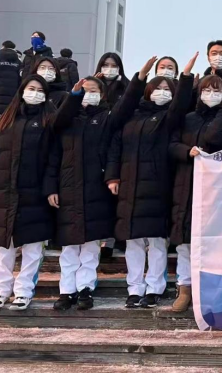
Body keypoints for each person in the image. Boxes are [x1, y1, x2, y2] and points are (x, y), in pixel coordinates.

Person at [45, 57, 154, 311]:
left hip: (95, 189)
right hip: (67, 189)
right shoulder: (67, 121)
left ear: (102, 95)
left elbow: (126, 104)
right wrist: (51, 188)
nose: (89, 94)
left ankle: (85, 289)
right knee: (69, 247)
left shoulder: (107, 118)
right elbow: (53, 156)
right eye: (85, 90)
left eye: (94, 91)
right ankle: (66, 291)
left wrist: (139, 78)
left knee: (91, 246)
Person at [105, 53, 198, 309]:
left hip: (158, 186)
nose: (162, 92)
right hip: (129, 185)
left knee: (157, 242)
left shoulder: (169, 119)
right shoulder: (131, 116)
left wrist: (186, 76)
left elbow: (180, 104)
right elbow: (115, 147)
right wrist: (112, 176)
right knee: (133, 242)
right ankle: (134, 289)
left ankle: (155, 288)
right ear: (147, 91)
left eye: (167, 89)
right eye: (158, 88)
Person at [168, 77, 222, 311]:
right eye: (207, 89)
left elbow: (214, 139)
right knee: (185, 241)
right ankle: (185, 288)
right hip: (186, 184)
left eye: (216, 90)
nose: (211, 94)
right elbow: (171, 145)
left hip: (218, 189)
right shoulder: (188, 119)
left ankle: (211, 290)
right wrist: (187, 151)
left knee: (215, 241)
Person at [0, 75, 56, 310]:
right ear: (22, 91)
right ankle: (0, 290)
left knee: (33, 246)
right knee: (4, 246)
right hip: (5, 191)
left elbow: (53, 158)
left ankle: (24, 290)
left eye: (40, 90)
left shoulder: (48, 120)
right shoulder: (7, 119)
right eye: (31, 88)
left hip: (35, 193)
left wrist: (50, 188)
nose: (35, 93)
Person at [0, 41, 22, 129]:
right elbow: (20, 78)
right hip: (13, 91)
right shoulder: (18, 61)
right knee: (9, 115)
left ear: (3, 46)